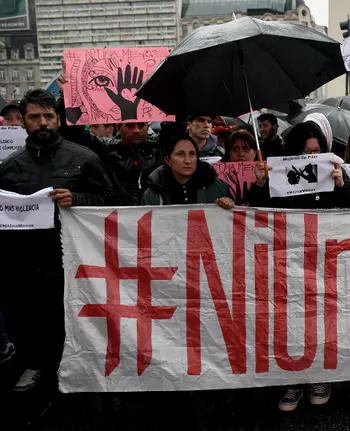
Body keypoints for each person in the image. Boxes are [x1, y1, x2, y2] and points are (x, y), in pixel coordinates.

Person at [0, 89, 115, 392]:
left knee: (76, 317)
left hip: (75, 258)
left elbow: (112, 200)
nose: (43, 123)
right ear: (23, 122)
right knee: (29, 314)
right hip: (27, 259)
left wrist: (77, 198)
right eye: (34, 117)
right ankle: (35, 364)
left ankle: (81, 366)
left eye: (48, 116)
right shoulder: (10, 167)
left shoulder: (85, 158)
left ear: (59, 120)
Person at [246, 121, 350, 411]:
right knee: (293, 318)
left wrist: (341, 183)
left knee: (322, 317)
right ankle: (293, 380)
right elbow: (256, 212)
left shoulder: (336, 170)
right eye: (305, 151)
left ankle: (320, 376)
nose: (313, 155)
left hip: (326, 259)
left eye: (317, 150)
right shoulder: (278, 174)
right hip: (289, 258)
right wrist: (260, 184)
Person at [140, 134, 234, 208]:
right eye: (180, 154)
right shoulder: (152, 194)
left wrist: (228, 205)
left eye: (192, 154)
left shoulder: (219, 188)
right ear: (168, 160)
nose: (188, 161)